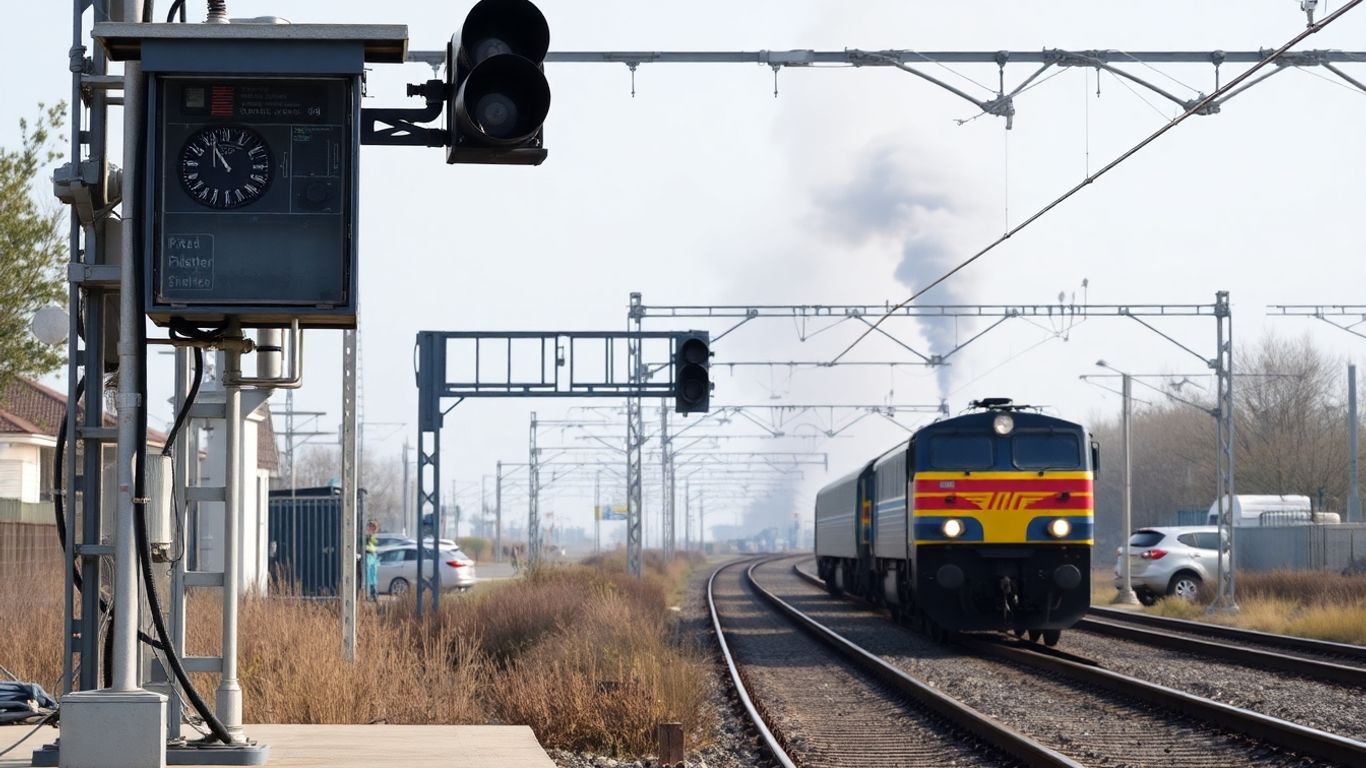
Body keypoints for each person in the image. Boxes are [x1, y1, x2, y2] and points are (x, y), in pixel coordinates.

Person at [364, 520, 379, 601]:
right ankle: (370, 593)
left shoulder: (373, 538)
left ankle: (373, 593)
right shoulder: (367, 538)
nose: (372, 529)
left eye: (373, 528)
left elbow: (374, 547)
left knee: (373, 576)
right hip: (369, 555)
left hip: (373, 556)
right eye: (370, 527)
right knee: (369, 576)